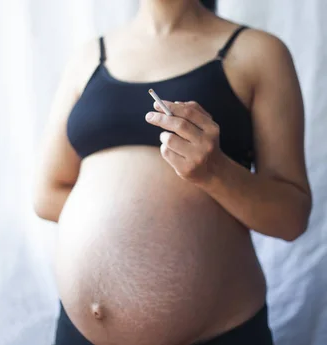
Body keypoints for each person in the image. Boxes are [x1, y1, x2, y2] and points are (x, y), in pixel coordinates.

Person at [33, 0, 312, 344]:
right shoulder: (88, 57)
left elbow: (291, 217)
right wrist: (131, 232)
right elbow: (47, 194)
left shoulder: (258, 52)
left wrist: (216, 173)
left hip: (217, 333)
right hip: (79, 334)